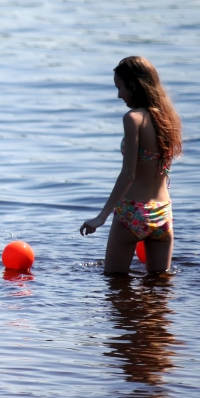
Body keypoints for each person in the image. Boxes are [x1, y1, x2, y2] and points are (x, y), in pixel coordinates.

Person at [80, 57, 182, 274]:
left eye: (120, 88)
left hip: (133, 211)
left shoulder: (134, 118)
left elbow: (128, 175)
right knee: (160, 288)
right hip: (163, 212)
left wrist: (101, 217)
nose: (119, 95)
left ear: (134, 85)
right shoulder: (168, 118)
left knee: (114, 283)